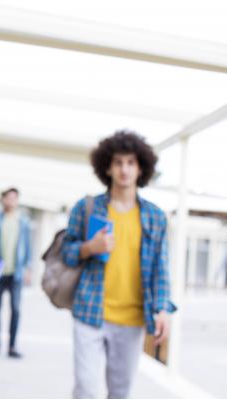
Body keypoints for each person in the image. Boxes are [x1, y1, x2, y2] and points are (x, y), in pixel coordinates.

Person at [62, 131, 176, 398]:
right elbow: (66, 253)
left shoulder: (154, 217)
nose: (124, 170)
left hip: (133, 319)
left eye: (131, 163)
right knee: (86, 389)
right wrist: (90, 248)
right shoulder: (87, 207)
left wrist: (162, 308)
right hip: (90, 312)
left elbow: (161, 268)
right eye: (118, 162)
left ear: (141, 168)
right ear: (107, 167)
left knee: (120, 392)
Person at [0, 187, 31, 358]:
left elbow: (27, 246)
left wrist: (28, 268)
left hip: (16, 272)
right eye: (9, 198)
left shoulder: (23, 222)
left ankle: (12, 346)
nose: (12, 201)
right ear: (3, 199)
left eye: (15, 198)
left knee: (15, 309)